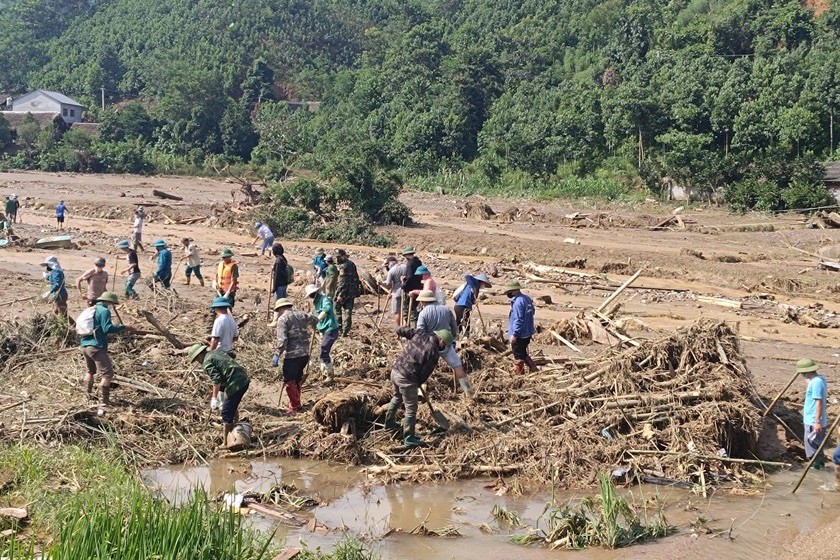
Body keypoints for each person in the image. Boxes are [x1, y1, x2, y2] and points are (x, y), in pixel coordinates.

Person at [387, 328, 458, 448]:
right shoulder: (433, 353)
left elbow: (403, 330)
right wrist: (417, 383)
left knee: (397, 397)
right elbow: (424, 374)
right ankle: (409, 438)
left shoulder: (420, 333)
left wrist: (398, 332)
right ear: (441, 341)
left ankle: (389, 423)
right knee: (411, 408)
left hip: (395, 371)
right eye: (445, 345)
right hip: (407, 377)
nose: (444, 347)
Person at [186, 343, 250, 447]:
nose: (198, 362)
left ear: (199, 356)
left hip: (236, 383)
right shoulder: (216, 352)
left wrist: (214, 398)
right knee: (231, 407)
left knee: (226, 413)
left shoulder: (207, 362)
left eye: (197, 360)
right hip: (243, 379)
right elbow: (232, 355)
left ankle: (226, 443)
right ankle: (234, 431)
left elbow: (216, 380)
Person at [79, 292, 134, 408]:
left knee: (90, 371)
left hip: (84, 345)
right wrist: (124, 327)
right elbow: (107, 328)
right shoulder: (104, 311)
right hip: (96, 346)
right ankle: (104, 402)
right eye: (112, 304)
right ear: (108, 302)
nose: (112, 307)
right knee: (107, 375)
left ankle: (86, 397)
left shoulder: (91, 309)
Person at [416, 290, 474, 396]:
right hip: (445, 343)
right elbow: (454, 327)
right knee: (457, 366)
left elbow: (420, 332)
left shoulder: (423, 313)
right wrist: (451, 340)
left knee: (424, 369)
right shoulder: (446, 310)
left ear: (423, 301)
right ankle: (468, 392)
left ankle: (420, 393)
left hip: (430, 345)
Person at [271, 298, 317, 415]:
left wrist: (277, 354)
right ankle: (296, 402)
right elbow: (315, 320)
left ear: (280, 308)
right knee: (297, 378)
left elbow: (282, 340)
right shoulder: (301, 314)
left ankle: (295, 406)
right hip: (305, 354)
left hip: (292, 355)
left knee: (289, 380)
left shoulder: (283, 319)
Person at [305, 284, 340, 384]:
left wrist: (318, 319)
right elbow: (316, 316)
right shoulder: (315, 302)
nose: (312, 295)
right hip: (323, 330)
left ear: (315, 292)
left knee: (324, 350)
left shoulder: (325, 299)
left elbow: (327, 309)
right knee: (322, 351)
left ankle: (330, 375)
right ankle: (324, 373)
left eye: (312, 293)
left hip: (331, 328)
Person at [798, 358, 828, 469]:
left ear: (807, 371)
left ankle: (817, 469)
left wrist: (817, 422)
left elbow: (819, 402)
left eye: (802, 372)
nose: (801, 374)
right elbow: (811, 384)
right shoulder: (818, 379)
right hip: (811, 419)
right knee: (814, 445)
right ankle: (819, 467)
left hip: (813, 421)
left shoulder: (816, 383)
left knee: (812, 446)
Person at [505, 280, 537, 375]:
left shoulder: (518, 302)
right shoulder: (526, 299)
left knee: (518, 356)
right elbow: (532, 312)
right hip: (528, 331)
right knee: (523, 353)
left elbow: (519, 319)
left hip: (520, 333)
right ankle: (534, 370)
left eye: (509, 291)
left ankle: (520, 376)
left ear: (513, 291)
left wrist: (514, 334)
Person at [454, 273, 492, 338]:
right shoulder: (474, 283)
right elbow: (467, 276)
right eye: (484, 284)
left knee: (459, 324)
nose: (484, 286)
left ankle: (456, 338)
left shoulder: (476, 289)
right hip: (463, 306)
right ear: (481, 282)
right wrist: (473, 287)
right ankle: (465, 338)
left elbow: (471, 299)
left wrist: (474, 301)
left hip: (459, 306)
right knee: (466, 325)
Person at [334, 248, 361, 336]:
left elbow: (342, 282)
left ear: (343, 256)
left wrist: (340, 294)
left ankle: (339, 329)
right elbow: (356, 278)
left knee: (337, 309)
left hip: (344, 292)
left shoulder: (343, 267)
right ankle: (346, 331)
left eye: (339, 257)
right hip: (351, 291)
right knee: (348, 310)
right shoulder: (351, 264)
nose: (337, 259)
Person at [399, 247, 423, 327]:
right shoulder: (418, 262)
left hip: (410, 290)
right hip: (418, 288)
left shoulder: (410, 264)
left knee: (409, 310)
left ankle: (410, 328)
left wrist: (403, 285)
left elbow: (410, 277)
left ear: (406, 255)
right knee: (415, 309)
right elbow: (416, 275)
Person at [383, 256, 406, 327]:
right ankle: (406, 328)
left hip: (396, 293)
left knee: (397, 312)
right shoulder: (405, 267)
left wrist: (381, 283)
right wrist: (390, 293)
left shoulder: (392, 270)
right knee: (406, 312)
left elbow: (388, 284)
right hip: (406, 292)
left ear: (391, 262)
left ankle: (399, 329)